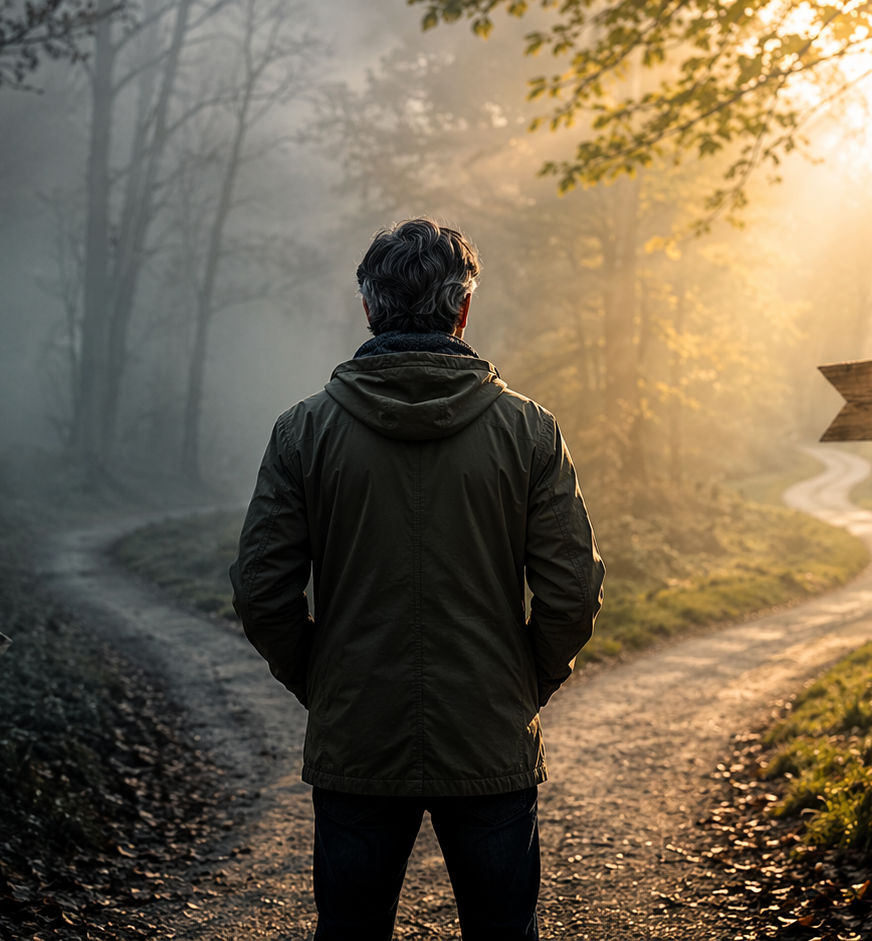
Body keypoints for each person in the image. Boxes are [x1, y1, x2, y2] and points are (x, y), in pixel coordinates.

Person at [230, 218, 604, 940]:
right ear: (463, 309)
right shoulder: (530, 431)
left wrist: (326, 683)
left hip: (356, 740)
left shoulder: (303, 432)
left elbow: (261, 591)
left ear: (369, 306)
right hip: (490, 737)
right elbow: (571, 592)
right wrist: (522, 683)